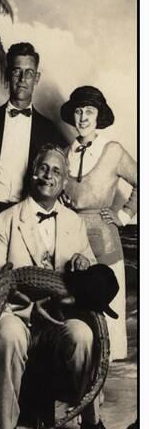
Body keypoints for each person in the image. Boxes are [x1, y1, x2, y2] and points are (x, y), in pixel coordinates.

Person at [0, 144, 117, 429]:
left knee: (83, 335)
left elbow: (90, 285)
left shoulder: (74, 223)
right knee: (10, 335)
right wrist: (18, 294)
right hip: (17, 314)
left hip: (59, 317)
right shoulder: (4, 222)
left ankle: (91, 422)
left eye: (56, 171)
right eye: (43, 168)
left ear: (65, 181)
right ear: (32, 172)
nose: (48, 175)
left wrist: (84, 263)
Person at [60, 86, 137, 360]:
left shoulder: (112, 151)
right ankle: (82, 372)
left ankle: (103, 370)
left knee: (106, 309)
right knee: (76, 309)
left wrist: (124, 215)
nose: (82, 117)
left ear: (99, 115)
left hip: (103, 238)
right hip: (70, 239)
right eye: (78, 111)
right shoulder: (63, 153)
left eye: (89, 111)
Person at [0, 42, 67, 220]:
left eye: (29, 73)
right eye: (16, 71)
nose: (22, 79)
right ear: (8, 74)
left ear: (36, 78)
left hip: (29, 213)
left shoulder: (48, 130)